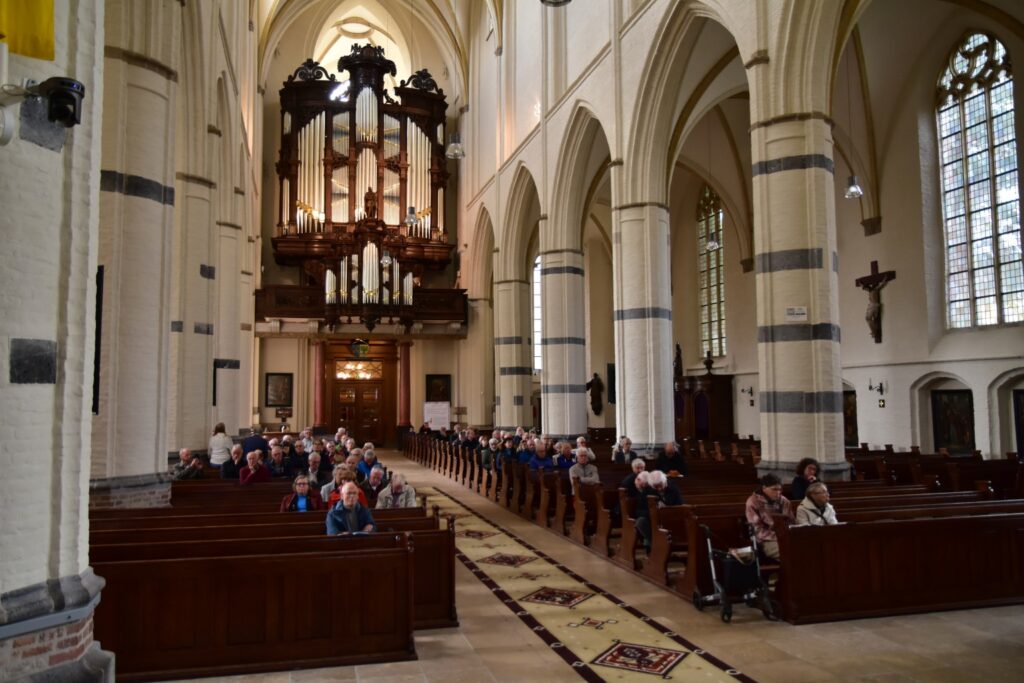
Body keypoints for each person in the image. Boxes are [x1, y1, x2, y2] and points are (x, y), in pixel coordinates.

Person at [745, 473, 792, 560]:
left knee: (804, 549)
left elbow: (791, 522)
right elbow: (757, 530)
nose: (778, 493)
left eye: (780, 489)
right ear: (764, 488)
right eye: (774, 489)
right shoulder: (753, 502)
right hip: (766, 541)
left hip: (785, 537)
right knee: (790, 551)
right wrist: (778, 536)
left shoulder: (785, 501)